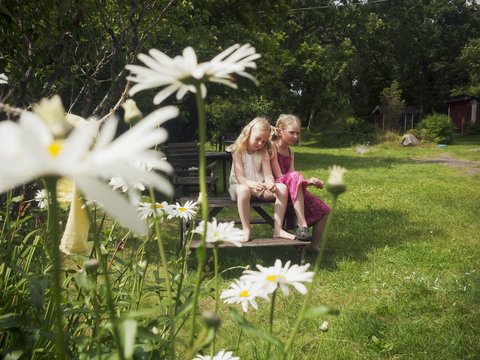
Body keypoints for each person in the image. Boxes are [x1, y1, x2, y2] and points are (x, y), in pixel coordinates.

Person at [229, 117, 296, 243]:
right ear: (248, 133)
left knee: (282, 188)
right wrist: (252, 185)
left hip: (259, 188)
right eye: (258, 139)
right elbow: (240, 178)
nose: (260, 143)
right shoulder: (238, 150)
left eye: (264, 141)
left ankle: (278, 229)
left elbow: (268, 174)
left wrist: (270, 182)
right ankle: (246, 228)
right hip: (240, 188)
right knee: (244, 190)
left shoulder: (263, 152)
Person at [270, 114, 330, 253]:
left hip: (293, 187)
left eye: (297, 133)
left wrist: (308, 182)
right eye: (292, 132)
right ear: (280, 131)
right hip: (278, 187)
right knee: (295, 175)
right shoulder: (272, 147)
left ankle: (314, 247)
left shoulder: (291, 152)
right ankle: (302, 224)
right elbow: (279, 176)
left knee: (325, 210)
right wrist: (301, 180)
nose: (295, 136)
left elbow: (292, 176)